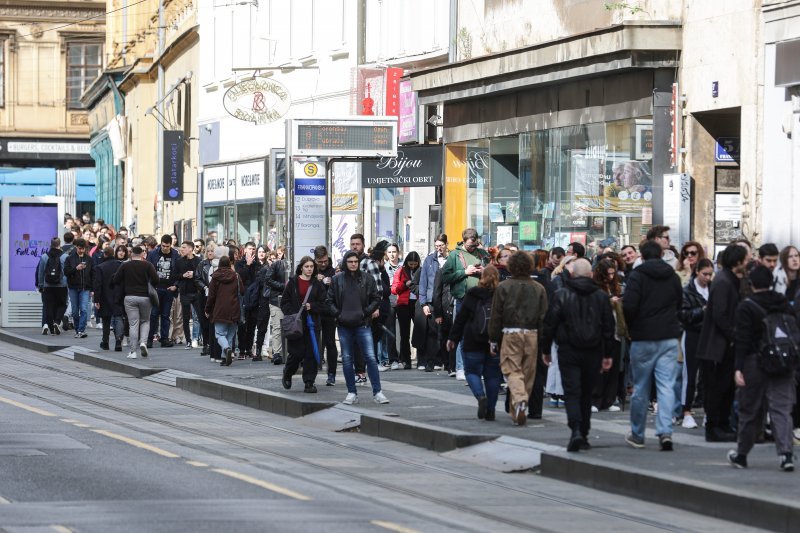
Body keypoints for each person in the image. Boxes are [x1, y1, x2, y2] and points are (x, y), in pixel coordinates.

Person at [728, 265, 798, 472]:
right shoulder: (783, 303)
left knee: (750, 410)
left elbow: (742, 340)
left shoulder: (747, 306)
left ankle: (741, 454)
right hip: (784, 363)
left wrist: (738, 368)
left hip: (754, 362)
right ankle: (786, 455)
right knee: (781, 409)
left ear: (751, 284)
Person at [542, 258, 614, 451]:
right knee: (586, 392)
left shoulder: (561, 295)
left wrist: (546, 350)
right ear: (590, 275)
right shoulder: (601, 296)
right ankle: (584, 431)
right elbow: (608, 327)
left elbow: (550, 324)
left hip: (568, 349)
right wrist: (608, 354)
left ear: (572, 274)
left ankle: (575, 429)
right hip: (593, 350)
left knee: (572, 391)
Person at [623, 240, 683, 451]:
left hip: (643, 336)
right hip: (668, 336)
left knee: (641, 387)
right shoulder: (673, 277)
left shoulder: (637, 276)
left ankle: (638, 434)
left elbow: (629, 306)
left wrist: (632, 328)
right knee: (666, 386)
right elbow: (680, 303)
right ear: (661, 254)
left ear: (642, 255)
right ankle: (665, 431)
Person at [488, 251, 548, 426]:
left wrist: (493, 339)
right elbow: (543, 317)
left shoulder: (504, 287)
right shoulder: (539, 288)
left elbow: (496, 315)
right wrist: (544, 343)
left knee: (512, 370)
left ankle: (520, 400)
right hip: (532, 334)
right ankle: (518, 413)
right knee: (528, 374)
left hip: (510, 333)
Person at [697, 244, 748, 442]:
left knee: (726, 387)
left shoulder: (730, 280)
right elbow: (719, 314)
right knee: (717, 389)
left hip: (723, 346)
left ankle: (723, 425)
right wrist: (733, 334)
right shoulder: (724, 282)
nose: (748, 262)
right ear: (738, 262)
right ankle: (714, 427)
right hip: (716, 347)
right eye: (746, 259)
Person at [327, 250, 389, 405]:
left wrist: (365, 312)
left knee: (370, 357)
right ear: (345, 263)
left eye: (355, 261)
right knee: (347, 359)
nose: (353, 264)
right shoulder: (337, 280)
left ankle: (378, 392)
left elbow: (376, 297)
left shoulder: (367, 278)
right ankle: (351, 392)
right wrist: (338, 315)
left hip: (363, 324)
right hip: (344, 325)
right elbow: (329, 300)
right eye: (350, 261)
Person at [447, 266, 502, 421]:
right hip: (495, 341)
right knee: (493, 377)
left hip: (473, 339)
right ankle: (491, 410)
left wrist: (452, 338)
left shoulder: (472, 293)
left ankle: (480, 396)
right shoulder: (500, 294)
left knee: (471, 372)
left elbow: (461, 318)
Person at [441, 228, 491, 380]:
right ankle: (461, 367)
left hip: (482, 299)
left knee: (482, 332)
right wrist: (464, 272)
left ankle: (479, 368)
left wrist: (485, 271)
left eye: (475, 245)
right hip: (463, 298)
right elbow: (445, 277)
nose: (472, 248)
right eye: (470, 246)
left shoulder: (483, 254)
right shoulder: (454, 255)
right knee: (462, 333)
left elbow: (493, 273)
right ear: (463, 241)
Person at [280, 256, 329, 393]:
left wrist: (311, 306)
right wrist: (293, 313)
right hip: (296, 323)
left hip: (312, 324)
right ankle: (288, 372)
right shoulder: (293, 282)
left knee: (311, 354)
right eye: (306, 266)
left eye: (311, 267)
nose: (309, 269)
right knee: (296, 353)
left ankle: (309, 382)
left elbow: (324, 304)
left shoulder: (317, 284)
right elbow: (284, 302)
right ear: (301, 267)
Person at [678, 258, 714, 429]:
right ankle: (686, 412)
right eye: (704, 274)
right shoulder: (687, 291)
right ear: (697, 272)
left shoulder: (713, 289)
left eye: (710, 274)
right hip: (692, 334)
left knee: (708, 375)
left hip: (709, 335)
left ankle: (708, 412)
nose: (707, 277)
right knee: (690, 375)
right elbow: (684, 315)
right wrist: (702, 311)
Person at [591, 258, 625, 412]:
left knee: (614, 367)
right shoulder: (595, 288)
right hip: (600, 331)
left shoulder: (615, 286)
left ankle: (609, 400)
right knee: (599, 367)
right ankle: (595, 399)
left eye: (613, 273)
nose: (611, 277)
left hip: (615, 330)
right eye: (608, 274)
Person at [112, 246, 158, 359]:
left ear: (131, 253)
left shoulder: (125, 265)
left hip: (130, 297)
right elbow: (156, 280)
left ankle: (133, 351)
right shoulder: (148, 265)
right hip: (145, 298)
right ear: (142, 254)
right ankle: (143, 342)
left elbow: (116, 280)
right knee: (145, 321)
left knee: (133, 323)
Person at [205, 255, 244, 367]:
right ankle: (224, 357)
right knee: (230, 335)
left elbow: (211, 296)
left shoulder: (215, 277)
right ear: (229, 264)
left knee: (220, 334)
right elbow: (242, 291)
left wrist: (207, 309)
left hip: (220, 309)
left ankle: (226, 349)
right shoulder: (236, 276)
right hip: (234, 310)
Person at [417, 234, 449, 372]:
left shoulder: (451, 259)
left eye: (441, 245)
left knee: (446, 331)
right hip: (431, 300)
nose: (439, 249)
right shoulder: (429, 260)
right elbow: (422, 282)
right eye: (436, 246)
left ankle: (444, 361)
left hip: (447, 300)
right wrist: (423, 303)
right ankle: (432, 361)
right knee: (432, 333)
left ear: (446, 244)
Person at [147, 234, 179, 348]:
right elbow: (148, 270)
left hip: (169, 288)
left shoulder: (175, 254)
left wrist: (175, 285)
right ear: (160, 244)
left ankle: (164, 339)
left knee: (165, 315)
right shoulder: (152, 254)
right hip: (156, 288)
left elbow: (178, 271)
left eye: (167, 246)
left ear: (171, 245)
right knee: (153, 314)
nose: (165, 248)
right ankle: (149, 339)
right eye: (163, 246)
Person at [93, 246, 125, 351]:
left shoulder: (100, 267)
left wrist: (96, 300)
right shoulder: (120, 265)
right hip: (118, 295)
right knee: (118, 317)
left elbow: (98, 285)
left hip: (104, 296)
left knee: (106, 320)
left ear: (105, 254)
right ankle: (118, 341)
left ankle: (105, 341)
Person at [392, 251, 421, 369]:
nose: (412, 266)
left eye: (415, 264)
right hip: (403, 304)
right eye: (410, 264)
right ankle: (406, 359)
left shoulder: (421, 270)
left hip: (417, 303)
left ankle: (421, 359)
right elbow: (394, 289)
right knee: (404, 334)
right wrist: (405, 284)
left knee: (419, 332)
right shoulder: (401, 271)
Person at [313, 246, 337, 385]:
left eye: (325, 261)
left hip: (329, 311)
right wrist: (317, 278)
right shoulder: (312, 269)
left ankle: (331, 374)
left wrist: (331, 280)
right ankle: (313, 369)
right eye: (320, 262)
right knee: (314, 341)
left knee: (330, 342)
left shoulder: (333, 270)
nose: (323, 264)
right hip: (315, 310)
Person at [63, 238, 95, 339]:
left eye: (83, 248)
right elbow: (66, 272)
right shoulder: (70, 258)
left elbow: (93, 274)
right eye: (80, 248)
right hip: (73, 287)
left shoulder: (89, 259)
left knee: (84, 309)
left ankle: (81, 330)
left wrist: (93, 289)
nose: (81, 250)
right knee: (75, 311)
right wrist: (76, 269)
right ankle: (77, 329)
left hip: (85, 288)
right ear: (76, 247)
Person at [37, 238, 69, 335]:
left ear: (50, 244)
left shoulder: (44, 257)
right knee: (63, 304)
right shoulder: (65, 256)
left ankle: (51, 327)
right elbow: (67, 272)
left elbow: (41, 272)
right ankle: (57, 321)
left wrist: (41, 285)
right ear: (60, 245)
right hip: (62, 285)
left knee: (49, 306)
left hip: (48, 285)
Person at [175, 241, 203, 350]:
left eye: (184, 247)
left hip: (196, 292)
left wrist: (194, 274)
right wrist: (183, 275)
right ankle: (188, 341)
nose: (182, 249)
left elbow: (201, 274)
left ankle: (203, 340)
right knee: (185, 318)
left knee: (200, 317)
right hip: (185, 292)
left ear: (191, 249)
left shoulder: (199, 261)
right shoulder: (179, 261)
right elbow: (174, 275)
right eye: (181, 247)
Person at [235, 241, 260, 359]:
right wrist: (248, 265)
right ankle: (241, 350)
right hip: (243, 297)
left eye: (254, 249)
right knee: (242, 324)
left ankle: (249, 348)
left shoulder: (258, 264)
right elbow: (240, 277)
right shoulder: (239, 264)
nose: (252, 251)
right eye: (250, 249)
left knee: (252, 324)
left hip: (254, 298)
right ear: (245, 250)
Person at [263, 246, 288, 365]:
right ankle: (277, 353)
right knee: (277, 327)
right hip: (276, 299)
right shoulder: (277, 265)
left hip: (289, 301)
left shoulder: (298, 265)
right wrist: (282, 286)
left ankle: (285, 352)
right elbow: (268, 279)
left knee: (289, 327)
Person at [194, 243, 216, 357]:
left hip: (215, 296)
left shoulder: (218, 264)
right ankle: (206, 344)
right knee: (204, 320)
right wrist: (204, 287)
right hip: (204, 295)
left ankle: (212, 344)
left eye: (212, 251)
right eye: (209, 251)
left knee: (213, 321)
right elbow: (197, 278)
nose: (210, 253)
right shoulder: (202, 264)